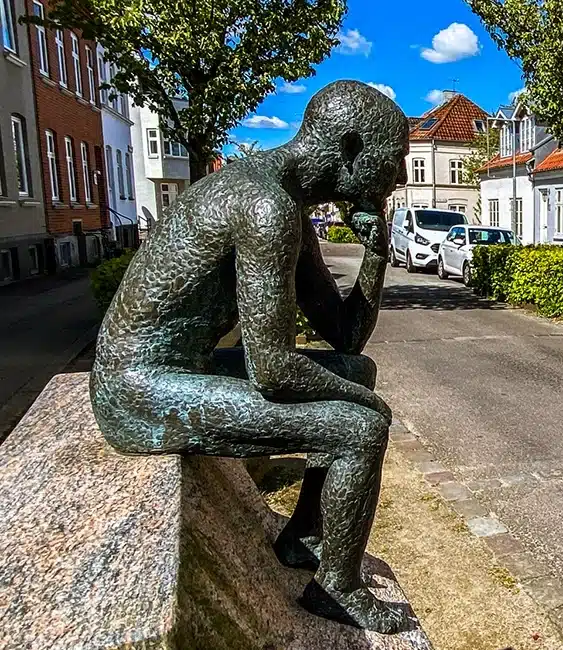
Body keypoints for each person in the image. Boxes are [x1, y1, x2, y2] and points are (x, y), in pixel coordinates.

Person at [90, 80, 411, 633]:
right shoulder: (267, 207)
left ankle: (306, 535)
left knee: (359, 372)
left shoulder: (287, 203)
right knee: (360, 429)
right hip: (137, 388)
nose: (400, 176)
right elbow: (273, 369)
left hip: (179, 368)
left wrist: (376, 252)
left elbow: (346, 339)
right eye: (395, 159)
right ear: (353, 149)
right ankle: (336, 587)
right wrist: (368, 405)